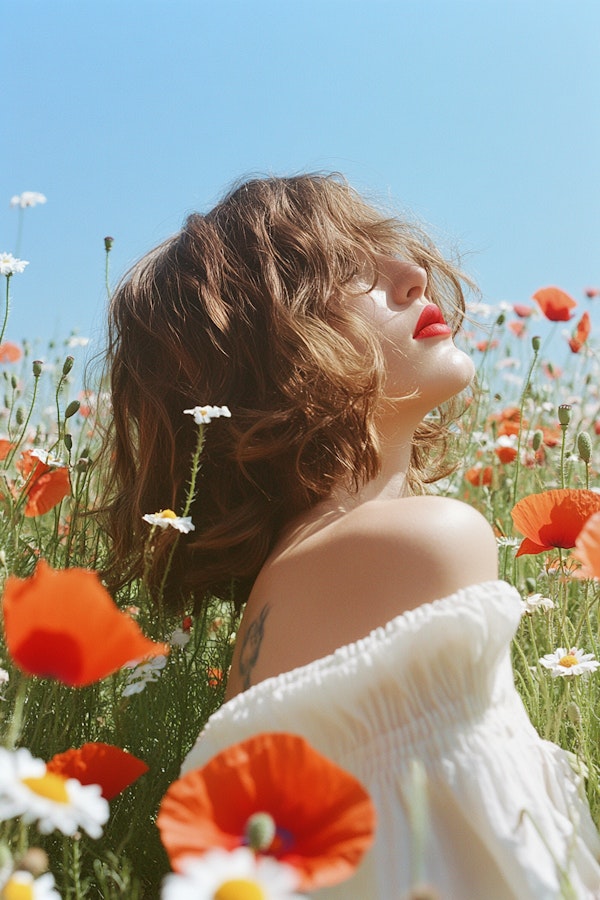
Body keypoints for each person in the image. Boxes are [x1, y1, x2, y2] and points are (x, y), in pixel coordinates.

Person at [104, 174, 600, 898]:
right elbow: (504, 871)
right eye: (345, 272)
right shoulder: (422, 545)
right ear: (266, 348)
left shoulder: (275, 605)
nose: (411, 274)